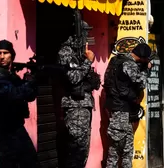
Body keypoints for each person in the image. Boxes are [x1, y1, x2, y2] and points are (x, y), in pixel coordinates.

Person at [0, 39, 37, 168]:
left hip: (16, 127)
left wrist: (31, 81)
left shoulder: (9, 76)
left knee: (30, 162)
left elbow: (29, 96)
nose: (2, 56)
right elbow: (14, 94)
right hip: (6, 130)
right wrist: (30, 83)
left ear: (12, 55)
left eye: (6, 53)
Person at [103, 43, 152, 168]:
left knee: (125, 148)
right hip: (121, 110)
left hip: (115, 108)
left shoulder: (116, 60)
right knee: (117, 151)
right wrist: (146, 70)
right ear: (142, 57)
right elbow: (141, 83)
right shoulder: (129, 64)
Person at [57, 33, 100, 167]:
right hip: (75, 107)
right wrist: (88, 61)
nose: (88, 38)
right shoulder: (66, 52)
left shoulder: (79, 53)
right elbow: (73, 78)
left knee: (82, 150)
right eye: (85, 33)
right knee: (75, 149)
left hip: (83, 106)